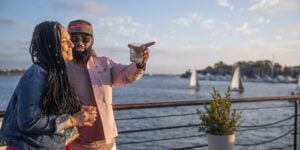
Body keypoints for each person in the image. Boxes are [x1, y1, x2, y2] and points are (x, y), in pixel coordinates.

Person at [0, 21, 98, 150]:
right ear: (50, 45)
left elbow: (51, 109)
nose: (72, 44)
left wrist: (78, 112)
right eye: (64, 41)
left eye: (70, 40)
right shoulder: (37, 73)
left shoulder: (55, 73)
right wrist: (73, 120)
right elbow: (28, 122)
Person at [66, 19, 154, 150]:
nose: (79, 42)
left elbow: (127, 75)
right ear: (67, 40)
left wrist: (139, 61)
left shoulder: (104, 63)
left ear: (92, 41)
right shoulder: (60, 68)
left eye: (85, 38)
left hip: (108, 144)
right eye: (74, 38)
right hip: (75, 144)